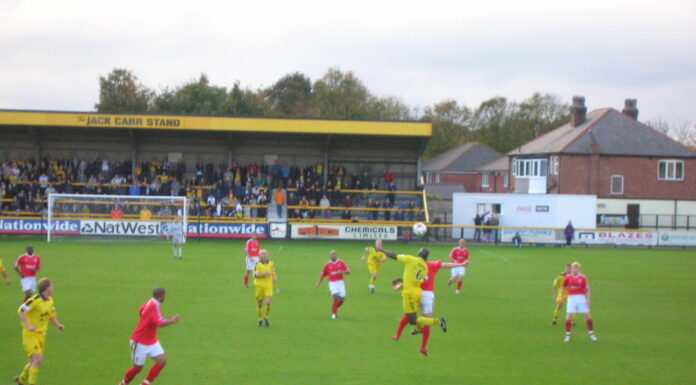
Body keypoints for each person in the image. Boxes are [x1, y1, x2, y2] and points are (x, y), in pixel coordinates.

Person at [375, 242, 447, 355]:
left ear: (418, 253)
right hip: (417, 291)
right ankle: (415, 333)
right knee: (412, 318)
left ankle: (439, 321)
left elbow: (394, 255)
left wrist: (381, 249)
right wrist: (400, 280)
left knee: (411, 320)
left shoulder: (410, 259)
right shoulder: (424, 267)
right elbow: (415, 279)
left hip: (409, 294)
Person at [393, 258, 469, 355]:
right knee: (426, 320)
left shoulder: (415, 266)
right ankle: (423, 347)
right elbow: (446, 265)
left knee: (409, 315)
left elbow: (410, 280)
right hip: (428, 295)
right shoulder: (433, 265)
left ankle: (398, 334)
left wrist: (399, 286)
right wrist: (461, 264)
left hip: (416, 292)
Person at [118, 287, 180, 385]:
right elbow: (159, 323)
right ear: (162, 296)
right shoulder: (154, 306)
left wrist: (146, 321)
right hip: (139, 341)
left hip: (151, 340)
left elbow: (141, 310)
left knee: (162, 361)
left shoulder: (150, 302)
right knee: (137, 368)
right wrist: (172, 320)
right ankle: (123, 383)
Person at [15, 278, 65, 385]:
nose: (53, 288)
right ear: (47, 288)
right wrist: (28, 326)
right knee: (38, 359)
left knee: (33, 361)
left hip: (41, 334)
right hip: (30, 334)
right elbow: (21, 311)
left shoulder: (50, 300)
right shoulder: (35, 300)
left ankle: (20, 380)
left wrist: (58, 325)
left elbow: (50, 315)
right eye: (51, 286)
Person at [562, 261, 597, 342]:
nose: (575, 269)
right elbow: (563, 287)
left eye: (576, 268)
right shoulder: (568, 277)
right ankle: (567, 335)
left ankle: (591, 334)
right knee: (569, 316)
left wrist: (588, 299)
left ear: (579, 269)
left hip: (581, 297)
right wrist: (561, 296)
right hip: (571, 298)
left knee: (587, 316)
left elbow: (587, 289)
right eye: (573, 268)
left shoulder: (583, 278)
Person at [314, 250, 351, 319]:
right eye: (332, 255)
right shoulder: (327, 265)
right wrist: (318, 283)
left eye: (334, 254)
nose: (333, 256)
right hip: (332, 283)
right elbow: (322, 275)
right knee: (336, 297)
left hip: (340, 282)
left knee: (342, 300)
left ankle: (334, 308)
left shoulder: (341, 263)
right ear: (330, 256)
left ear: (336, 255)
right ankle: (334, 314)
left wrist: (342, 272)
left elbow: (348, 271)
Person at [253, 249, 276, 327]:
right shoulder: (257, 265)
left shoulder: (271, 263)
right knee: (260, 305)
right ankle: (260, 318)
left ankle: (266, 316)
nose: (263, 255)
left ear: (267, 255)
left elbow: (273, 272)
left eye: (265, 254)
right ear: (259, 256)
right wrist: (264, 274)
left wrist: (275, 277)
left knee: (268, 303)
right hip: (259, 286)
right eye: (262, 254)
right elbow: (255, 276)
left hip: (268, 286)